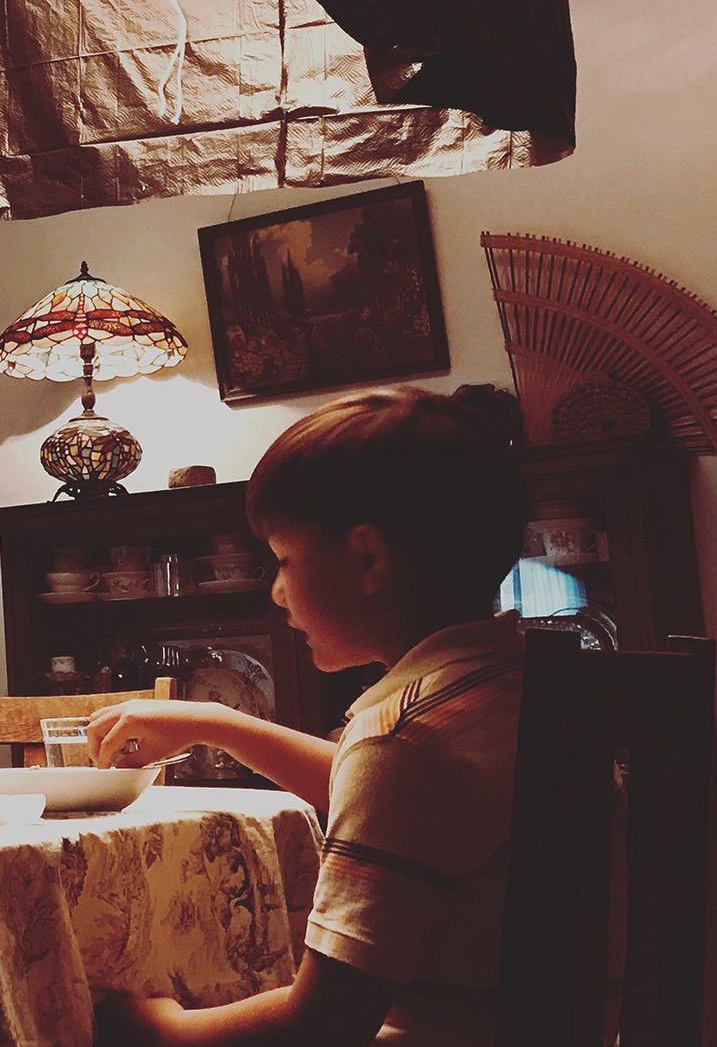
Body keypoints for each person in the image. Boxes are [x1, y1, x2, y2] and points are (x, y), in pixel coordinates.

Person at [88, 388, 529, 1047]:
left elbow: (322, 1023)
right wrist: (213, 721)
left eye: (284, 559)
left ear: (369, 558)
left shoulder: (405, 746)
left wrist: (159, 1031)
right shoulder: (503, 688)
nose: (276, 591)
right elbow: (385, 796)